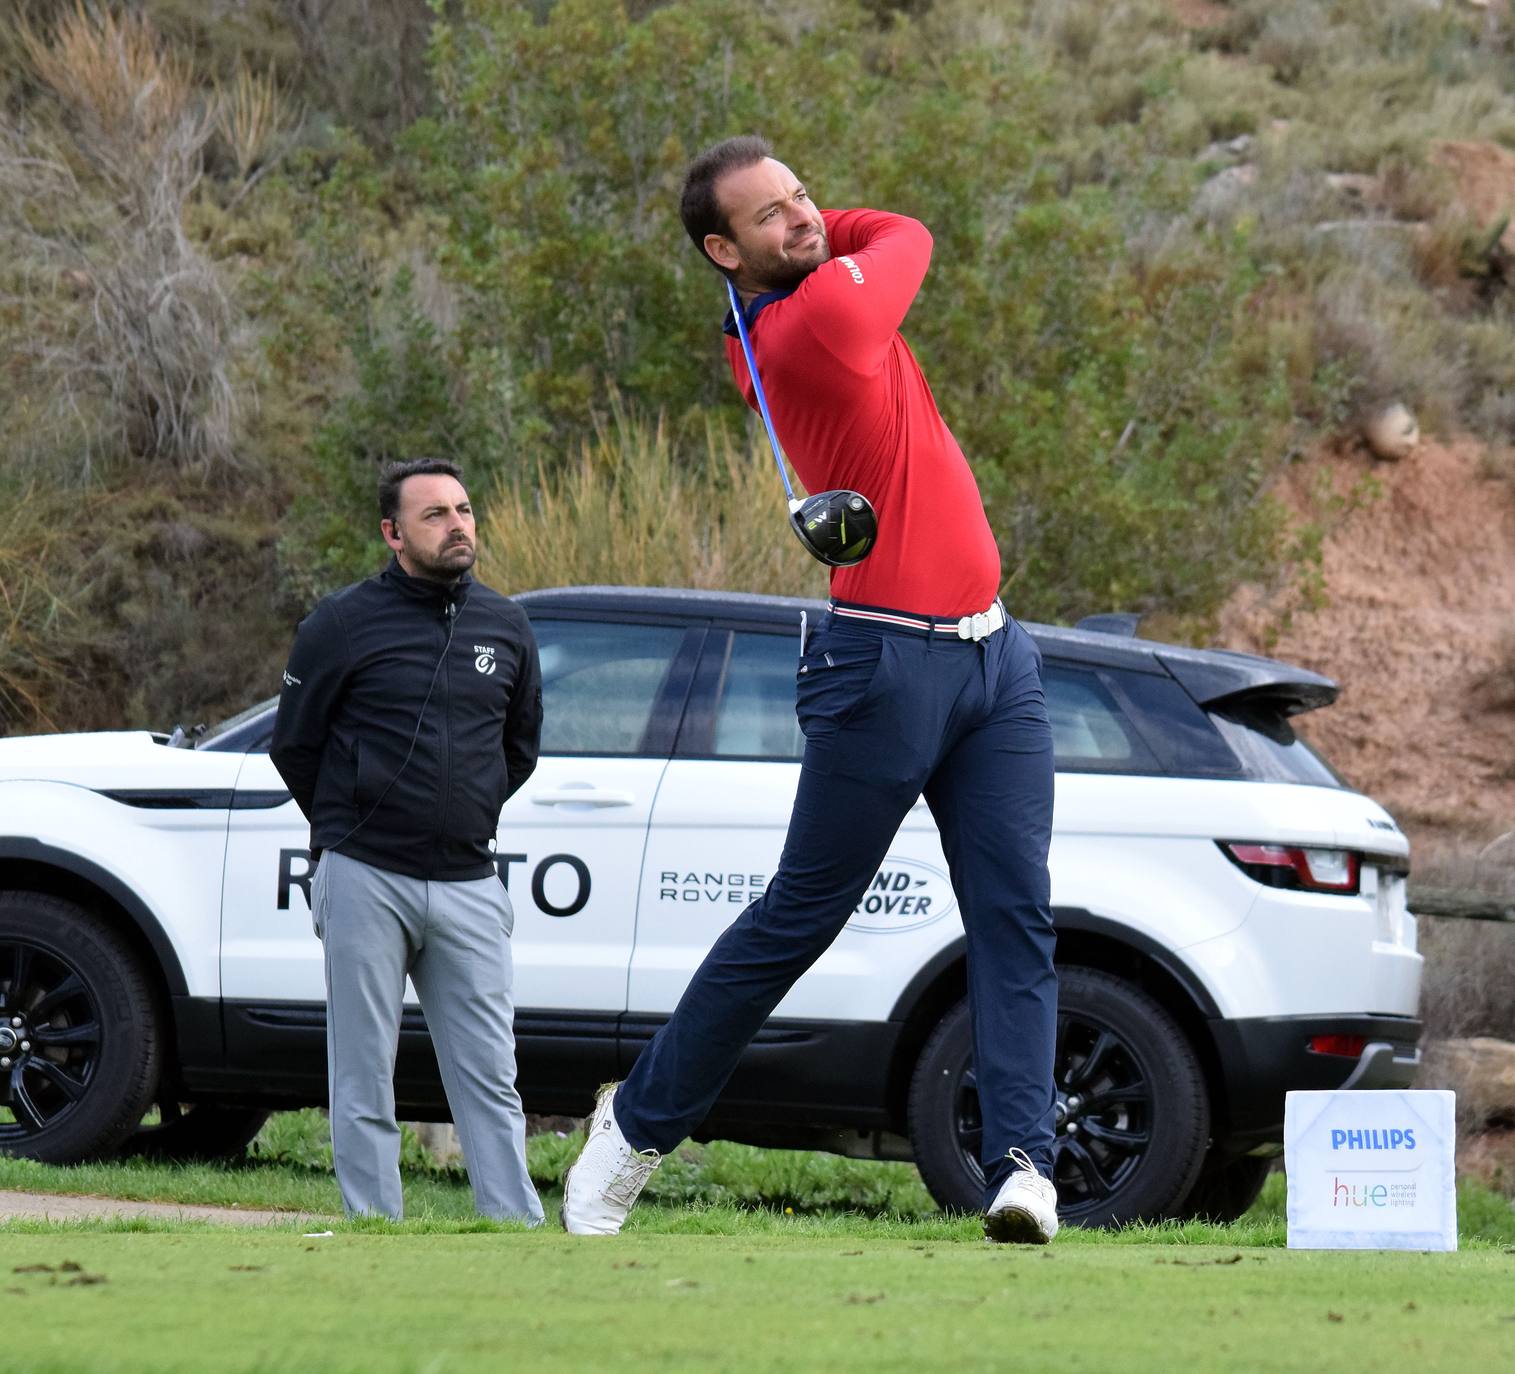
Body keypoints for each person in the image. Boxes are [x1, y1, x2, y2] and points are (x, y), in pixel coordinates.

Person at [562, 137, 1059, 1243]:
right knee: (802, 914)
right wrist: (834, 235)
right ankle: (634, 1130)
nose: (801, 218)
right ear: (719, 250)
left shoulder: (815, 288)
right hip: (883, 660)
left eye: (802, 197)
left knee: (1015, 916)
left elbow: (868, 241)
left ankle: (1024, 1164)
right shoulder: (810, 324)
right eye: (770, 215)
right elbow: (911, 236)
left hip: (995, 656)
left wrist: (813, 226)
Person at [271, 457, 544, 1225]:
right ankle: (373, 1229)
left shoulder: (506, 625)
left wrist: (465, 811)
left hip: (468, 881)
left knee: (490, 1076)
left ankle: (513, 1229)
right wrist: (347, 828)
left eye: (463, 510)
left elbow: (517, 749)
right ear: (392, 533)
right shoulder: (340, 624)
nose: (458, 525)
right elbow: (295, 746)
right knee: (363, 1072)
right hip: (365, 876)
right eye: (435, 515)